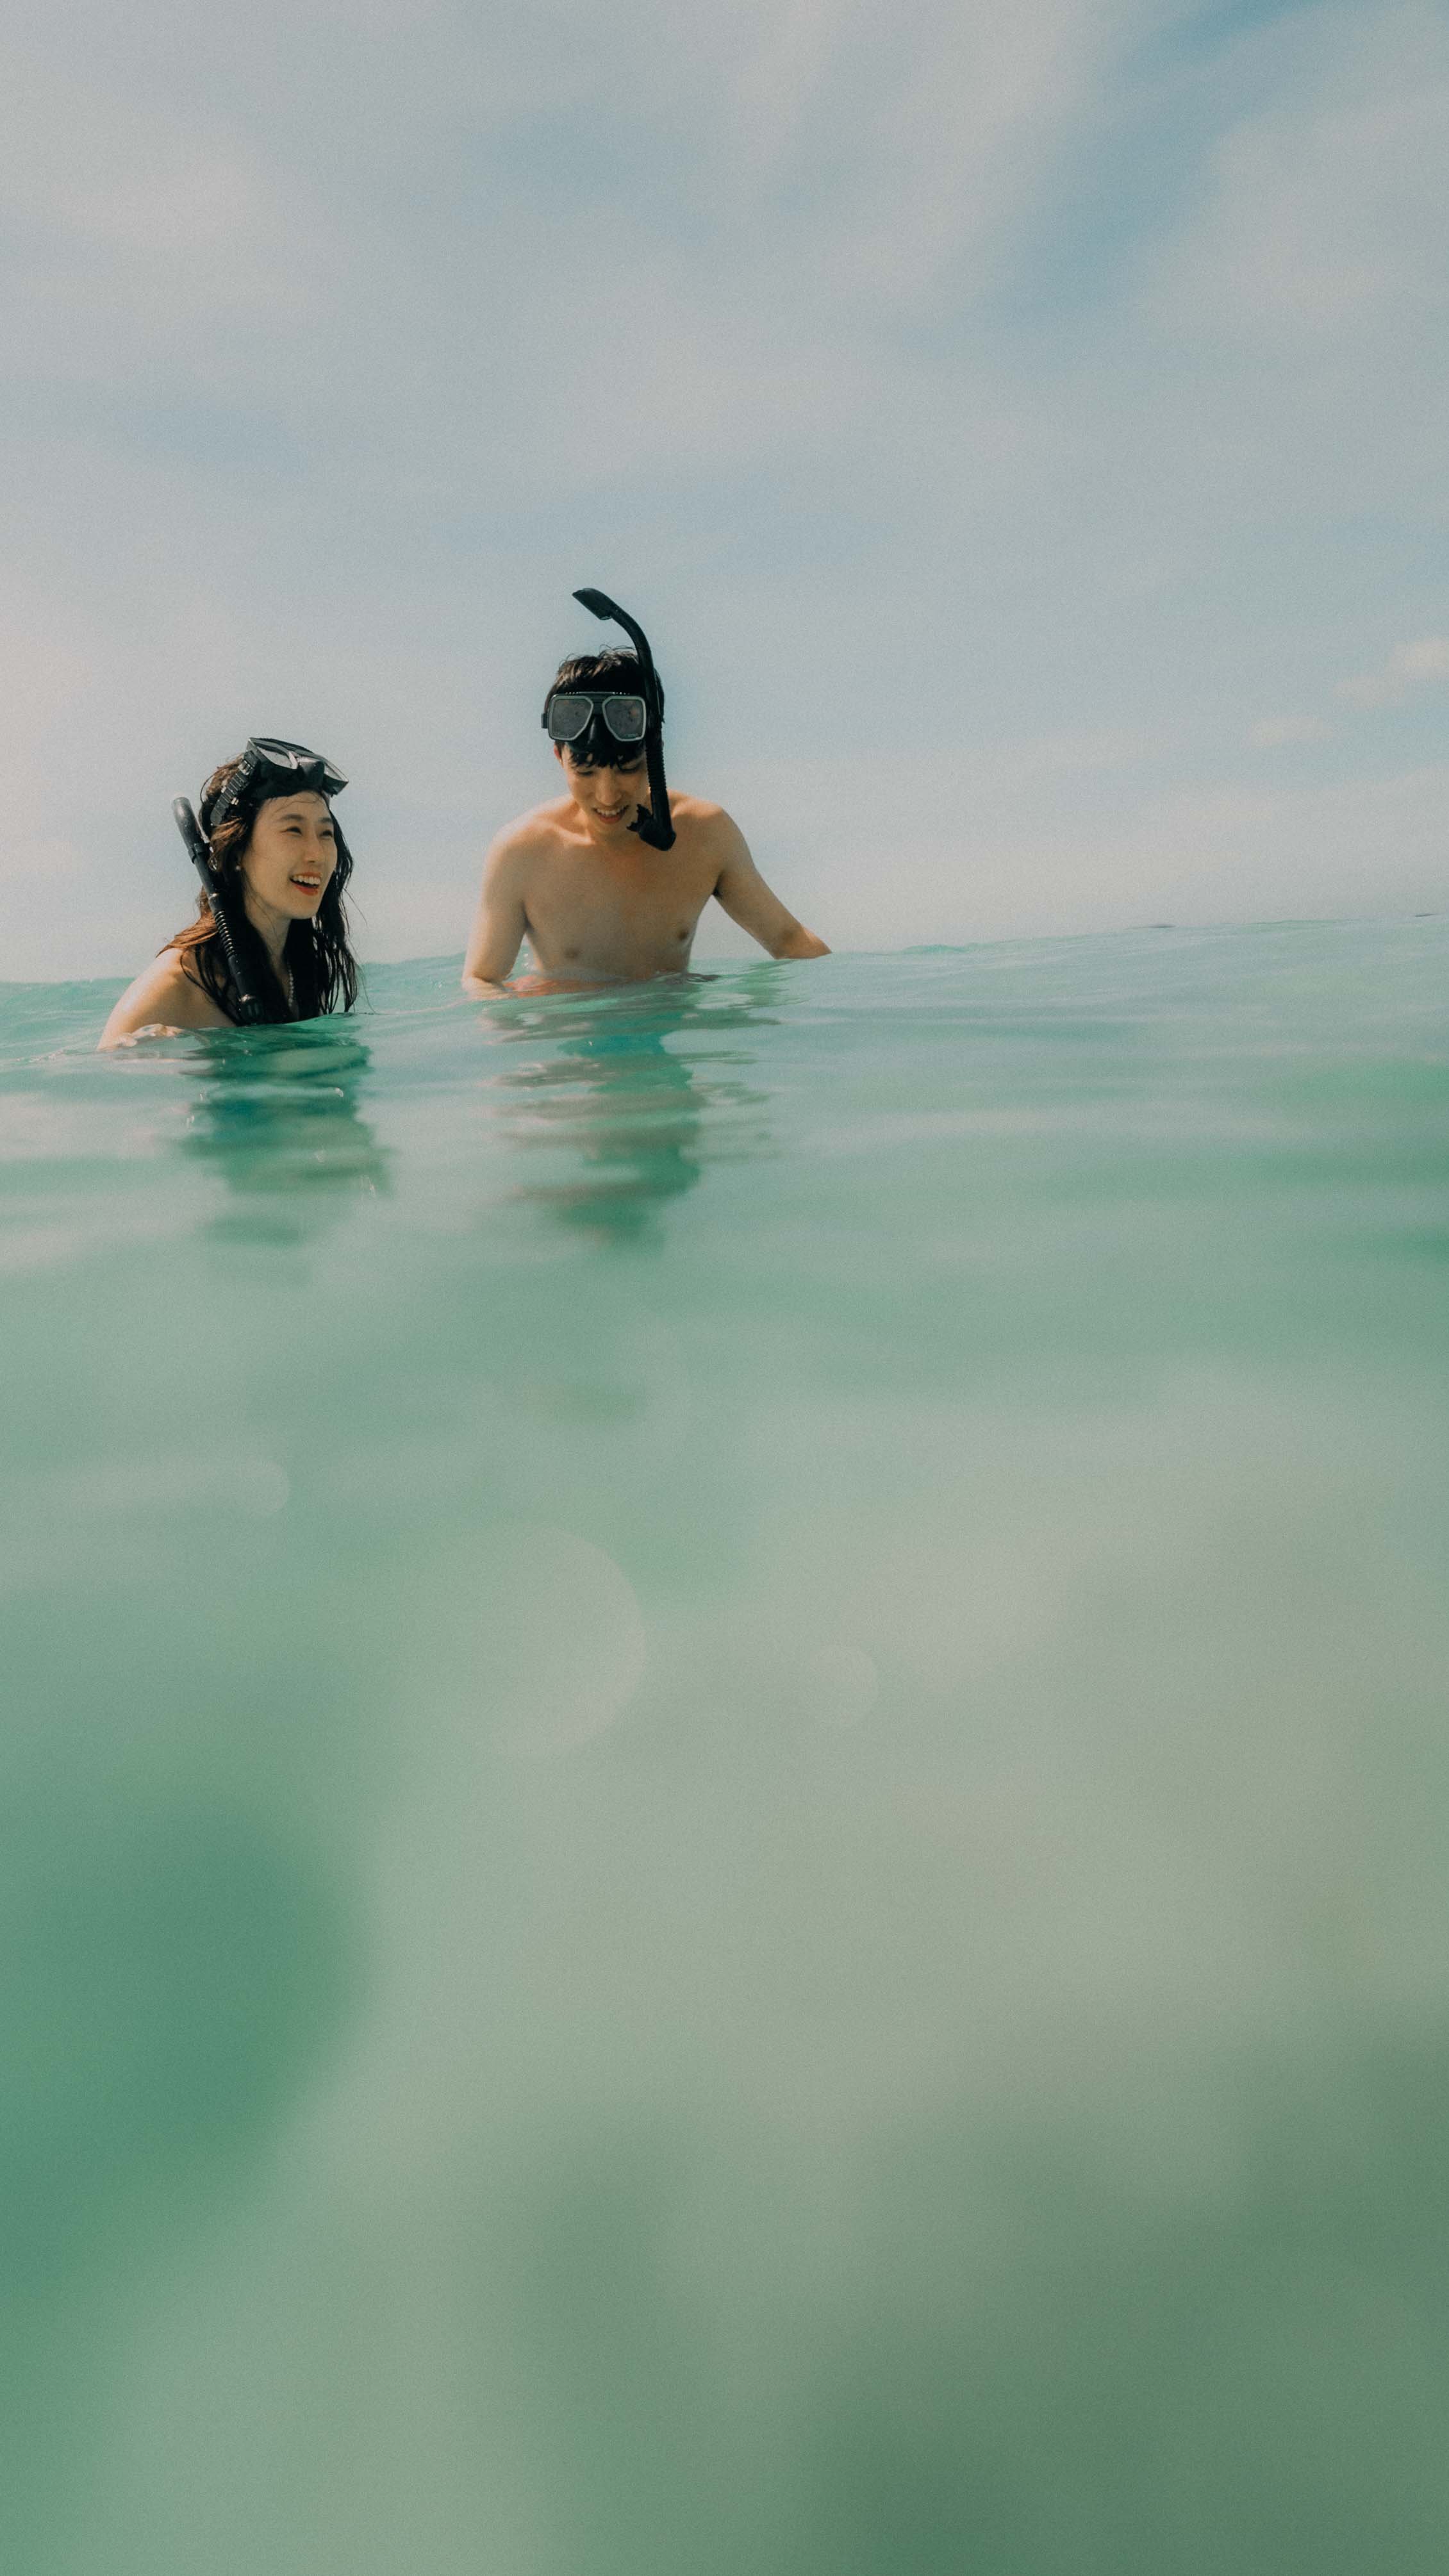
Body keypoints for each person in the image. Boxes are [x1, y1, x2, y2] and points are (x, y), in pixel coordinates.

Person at [462, 647, 829, 995]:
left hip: (670, 1031)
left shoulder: (706, 834)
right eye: (586, 772)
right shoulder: (522, 851)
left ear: (655, 754)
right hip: (569, 1034)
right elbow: (481, 979)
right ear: (559, 757)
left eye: (628, 768)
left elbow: (790, 941)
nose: (608, 796)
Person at [100, 741, 360, 1048]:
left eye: (326, 833)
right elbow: (110, 1067)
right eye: (293, 830)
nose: (317, 854)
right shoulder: (176, 986)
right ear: (236, 850)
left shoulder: (301, 966)